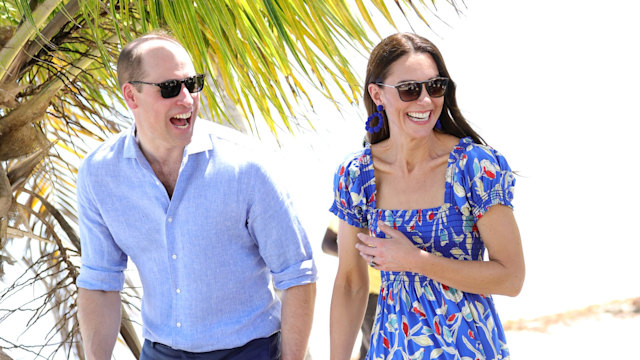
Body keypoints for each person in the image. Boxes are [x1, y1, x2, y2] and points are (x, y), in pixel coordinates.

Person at [76, 31, 317, 360]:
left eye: (193, 84)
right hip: (160, 353)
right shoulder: (99, 174)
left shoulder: (246, 166)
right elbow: (101, 283)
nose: (187, 99)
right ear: (131, 96)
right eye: (171, 88)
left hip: (251, 352)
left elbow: (296, 275)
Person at [329, 33, 525, 360]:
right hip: (392, 349)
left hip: (470, 349)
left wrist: (417, 261)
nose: (425, 101)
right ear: (377, 95)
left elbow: (512, 277)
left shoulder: (474, 168)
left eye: (434, 87)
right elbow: (350, 283)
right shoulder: (357, 176)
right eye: (409, 90)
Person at [321, 216, 379, 360]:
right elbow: (327, 243)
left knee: (368, 346)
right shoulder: (355, 202)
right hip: (369, 291)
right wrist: (365, 255)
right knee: (373, 343)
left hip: (398, 291)